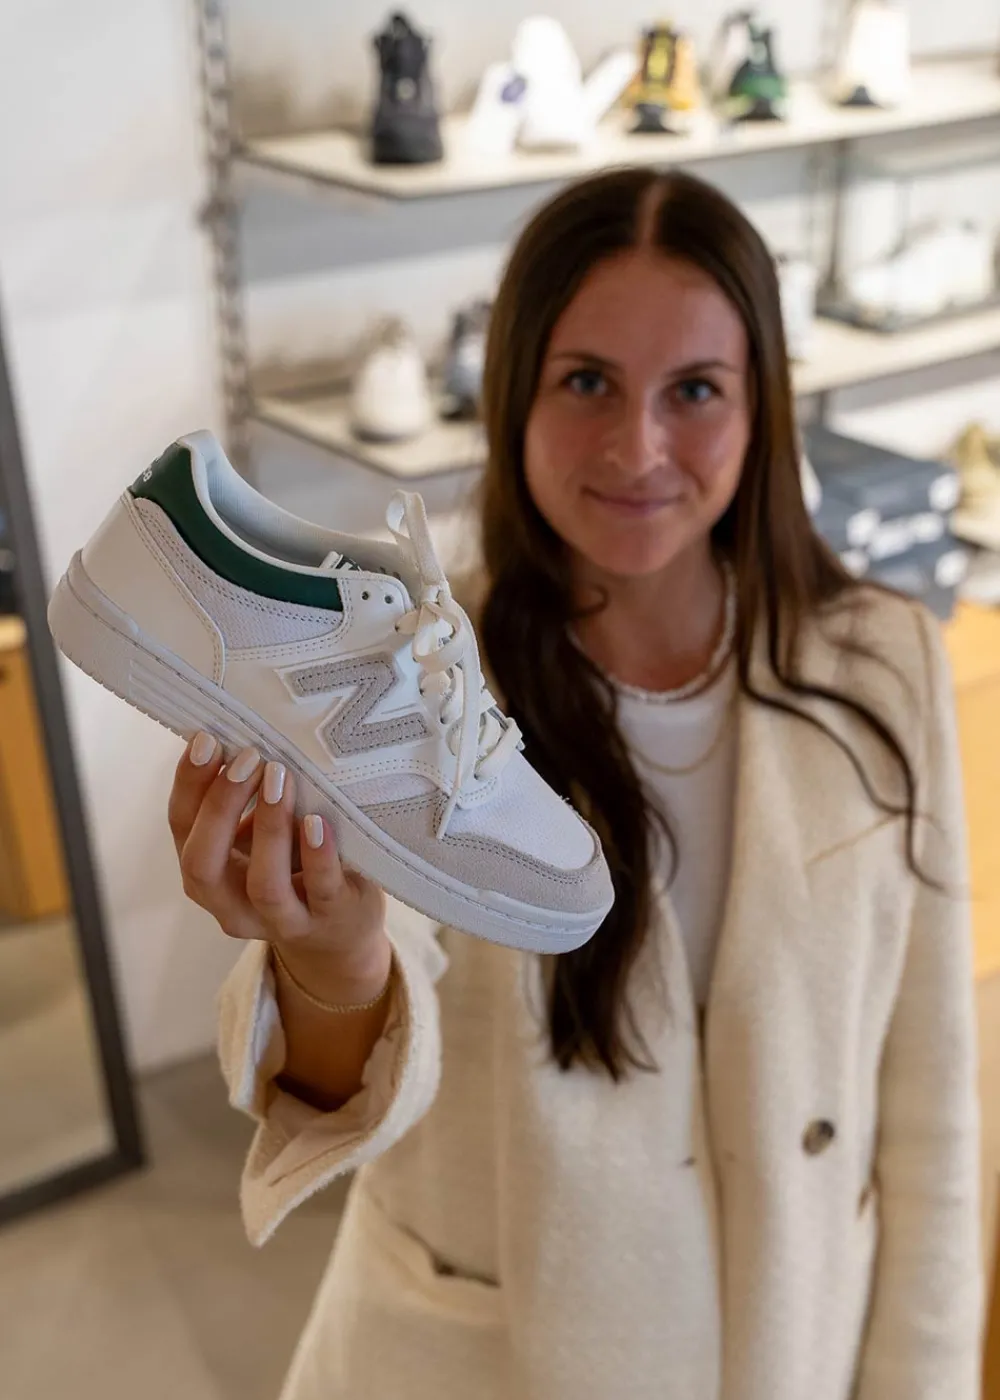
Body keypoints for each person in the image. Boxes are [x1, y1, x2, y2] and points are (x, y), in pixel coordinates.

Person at [167, 168, 982, 1400]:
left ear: (761, 404)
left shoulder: (881, 662)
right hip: (487, 1359)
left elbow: (926, 1094)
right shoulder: (406, 679)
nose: (637, 447)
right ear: (513, 393)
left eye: (693, 389)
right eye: (587, 381)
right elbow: (348, 1076)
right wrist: (329, 958)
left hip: (795, 1344)